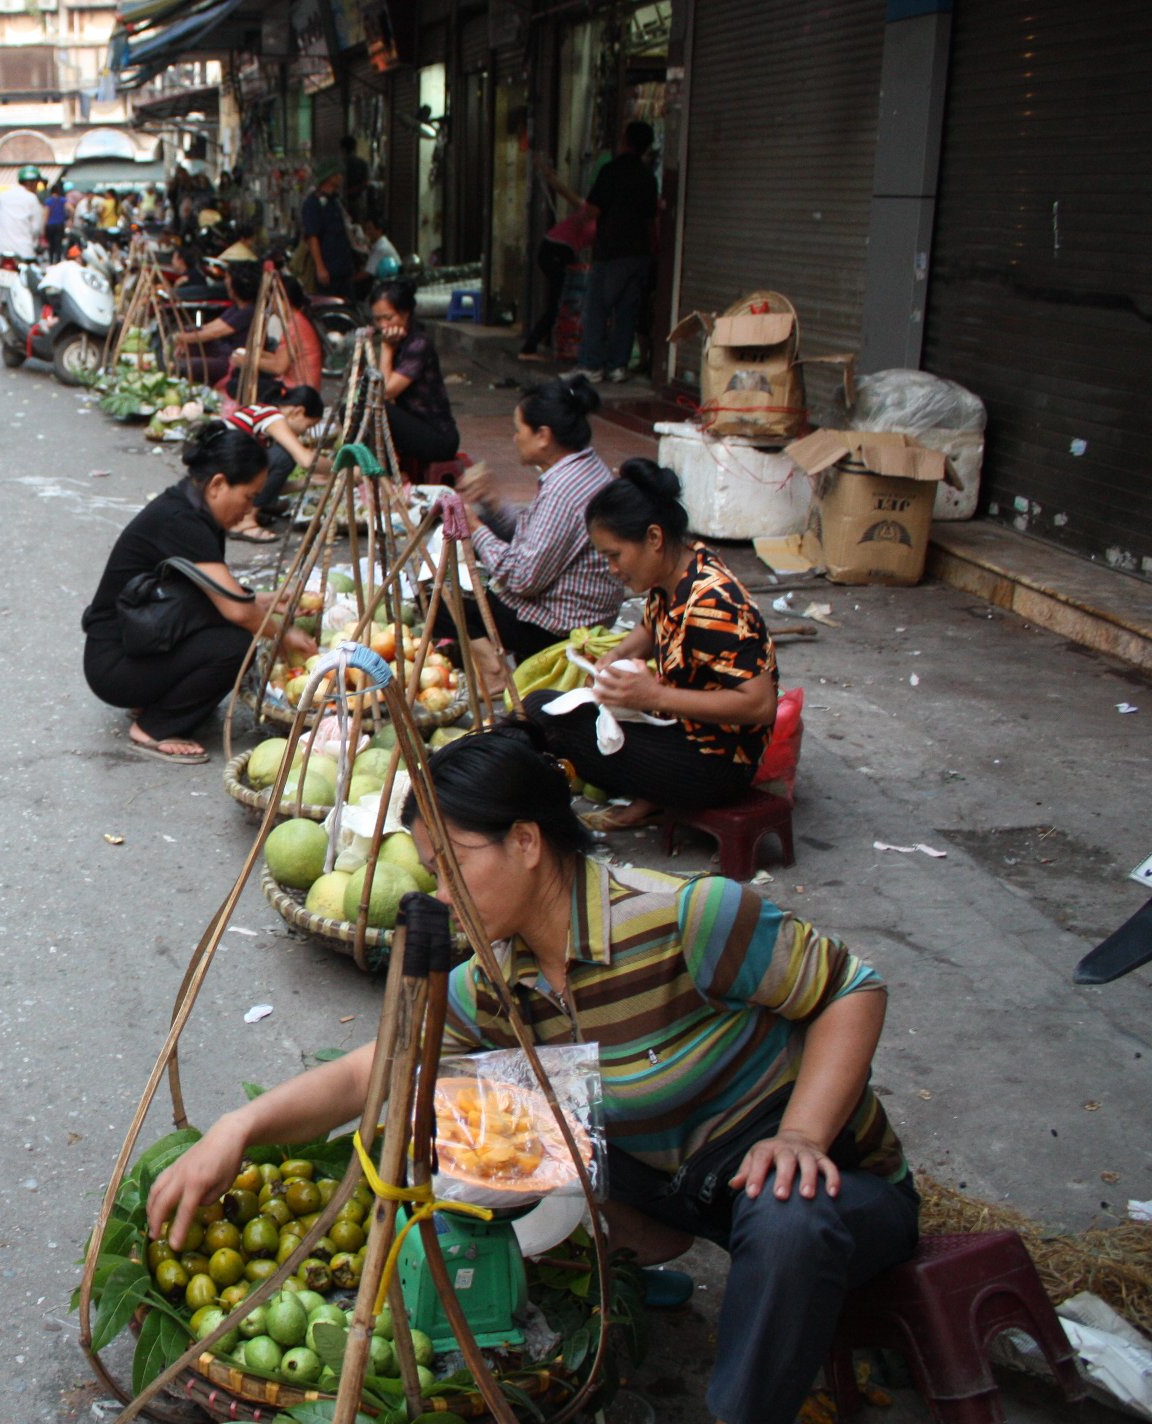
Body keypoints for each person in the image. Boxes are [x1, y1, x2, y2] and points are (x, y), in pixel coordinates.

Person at [150, 727, 917, 1424]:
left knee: (786, 1213)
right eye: (429, 871)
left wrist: (802, 1135)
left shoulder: (686, 919)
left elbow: (853, 990)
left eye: (455, 863)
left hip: (825, 1185)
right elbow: (373, 1072)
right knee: (467, 1117)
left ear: (525, 842)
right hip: (675, 1187)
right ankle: (615, 1269)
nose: (441, 894)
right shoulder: (494, 979)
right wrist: (238, 1128)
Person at [531, 459, 779, 829]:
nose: (612, 568)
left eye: (614, 555)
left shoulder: (711, 602)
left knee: (548, 720)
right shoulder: (677, 571)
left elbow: (760, 705)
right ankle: (652, 796)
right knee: (547, 706)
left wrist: (653, 697)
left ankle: (653, 795)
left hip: (717, 763)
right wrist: (613, 657)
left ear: (654, 538)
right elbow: (650, 628)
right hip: (681, 730)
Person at [82, 422, 318, 762]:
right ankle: (154, 727)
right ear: (218, 484)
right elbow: (236, 611)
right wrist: (284, 634)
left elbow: (213, 596)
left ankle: (155, 698)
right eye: (249, 497)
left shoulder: (192, 510)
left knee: (240, 628)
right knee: (239, 644)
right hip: (113, 664)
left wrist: (264, 602)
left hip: (134, 644)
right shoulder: (181, 520)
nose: (250, 509)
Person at [435, 375, 625, 690]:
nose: (514, 438)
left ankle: (494, 672)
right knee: (485, 541)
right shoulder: (584, 467)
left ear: (543, 436)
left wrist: (475, 527)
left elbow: (524, 579)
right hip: (579, 603)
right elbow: (537, 536)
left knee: (437, 592)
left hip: (562, 622)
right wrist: (494, 505)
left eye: (518, 430)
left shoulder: (563, 489)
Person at [567, 121, 659, 385]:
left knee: (597, 308)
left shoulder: (611, 171)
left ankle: (591, 365)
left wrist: (578, 221)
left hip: (612, 252)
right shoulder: (647, 176)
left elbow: (593, 210)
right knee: (627, 311)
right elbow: (651, 219)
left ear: (624, 139)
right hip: (639, 253)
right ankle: (617, 366)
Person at [369, 278, 459, 464]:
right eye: (378, 319)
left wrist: (386, 348)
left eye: (388, 318)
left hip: (438, 437)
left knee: (375, 409)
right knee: (353, 409)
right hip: (413, 426)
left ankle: (388, 471)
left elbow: (385, 392)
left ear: (405, 314)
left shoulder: (419, 343)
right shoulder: (399, 343)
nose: (383, 325)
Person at [221, 385, 325, 542]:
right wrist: (344, 466)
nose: (305, 432)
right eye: (308, 425)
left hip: (224, 479)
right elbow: (306, 461)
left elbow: (266, 484)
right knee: (285, 455)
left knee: (280, 456)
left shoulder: (268, 430)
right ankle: (244, 521)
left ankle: (241, 513)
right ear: (298, 412)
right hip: (221, 477)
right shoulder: (271, 415)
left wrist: (308, 482)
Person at [520, 153, 595, 361]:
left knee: (561, 302)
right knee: (557, 303)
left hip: (561, 253)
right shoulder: (589, 211)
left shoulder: (602, 223)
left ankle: (547, 344)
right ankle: (530, 347)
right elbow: (565, 192)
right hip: (555, 250)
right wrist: (547, 173)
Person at [231, 273, 322, 402]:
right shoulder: (295, 321)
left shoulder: (295, 325)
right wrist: (255, 354)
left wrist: (248, 361)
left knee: (234, 385)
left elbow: (279, 367)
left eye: (272, 300)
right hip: (293, 384)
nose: (270, 304)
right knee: (239, 373)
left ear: (284, 301)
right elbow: (281, 358)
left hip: (297, 392)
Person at [170, 262, 260, 388]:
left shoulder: (249, 311)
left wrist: (180, 338)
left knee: (188, 366)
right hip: (220, 350)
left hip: (231, 360)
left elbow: (214, 333)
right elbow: (209, 327)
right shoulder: (236, 307)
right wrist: (185, 335)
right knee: (191, 330)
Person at [0, 165, 48, 315]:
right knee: (34, 284)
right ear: (33, 183)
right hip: (24, 251)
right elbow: (36, 229)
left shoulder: (3, 196)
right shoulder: (32, 199)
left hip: (0, 249)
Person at [300, 160, 357, 299]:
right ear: (329, 177)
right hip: (329, 267)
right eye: (337, 174)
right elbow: (312, 236)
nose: (341, 178)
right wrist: (320, 267)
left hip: (343, 266)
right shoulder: (313, 204)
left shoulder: (335, 201)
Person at [356, 217, 400, 300]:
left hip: (388, 285)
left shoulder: (381, 247)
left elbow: (367, 273)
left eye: (370, 229)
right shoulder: (377, 244)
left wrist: (349, 281)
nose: (367, 232)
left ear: (379, 230)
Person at [44, 180, 69, 255]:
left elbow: (46, 214)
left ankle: (51, 260)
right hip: (60, 224)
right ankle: (58, 260)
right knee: (58, 243)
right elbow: (71, 209)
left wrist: (44, 226)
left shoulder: (48, 201)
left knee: (51, 244)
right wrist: (70, 219)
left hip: (50, 225)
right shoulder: (63, 200)